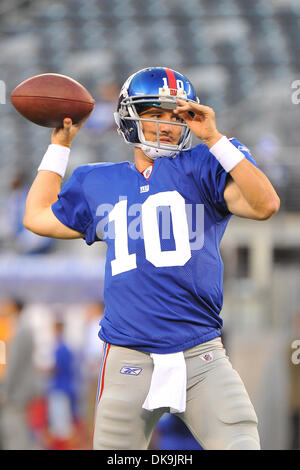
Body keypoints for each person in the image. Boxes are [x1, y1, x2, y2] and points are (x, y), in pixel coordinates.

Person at [23, 67, 280, 450]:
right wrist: (61, 144)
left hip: (200, 351)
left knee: (241, 441)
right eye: (153, 114)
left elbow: (265, 205)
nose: (165, 125)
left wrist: (215, 139)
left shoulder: (202, 164)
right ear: (129, 117)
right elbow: (36, 216)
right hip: (128, 354)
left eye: (176, 117)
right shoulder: (98, 181)